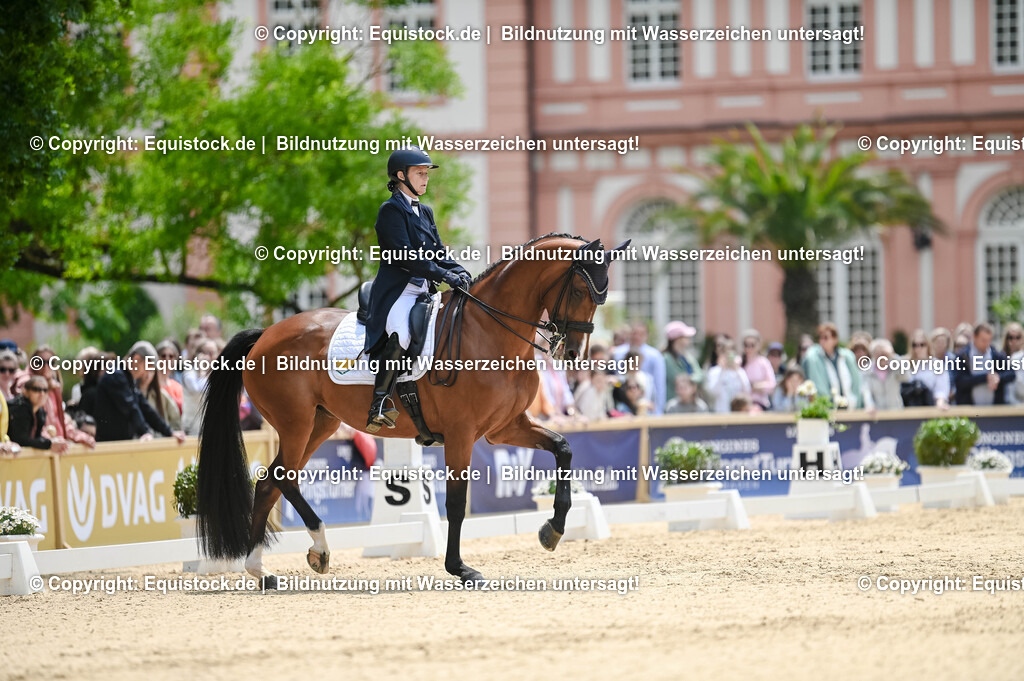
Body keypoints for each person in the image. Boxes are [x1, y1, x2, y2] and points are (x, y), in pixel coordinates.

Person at [362, 146, 471, 432]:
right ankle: (379, 402)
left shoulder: (425, 211)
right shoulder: (390, 211)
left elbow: (437, 251)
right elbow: (406, 257)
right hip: (399, 292)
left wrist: (459, 271)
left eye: (426, 174)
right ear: (401, 176)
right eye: (419, 173)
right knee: (402, 333)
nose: (425, 179)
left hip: (425, 290)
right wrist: (444, 274)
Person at [94, 345, 186, 443]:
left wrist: (169, 432)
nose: (146, 373)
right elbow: (131, 407)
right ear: (137, 359)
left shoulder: (127, 377)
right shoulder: (116, 375)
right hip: (108, 444)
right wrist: (145, 432)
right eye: (147, 367)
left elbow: (145, 407)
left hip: (120, 441)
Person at [953, 322, 1016, 405]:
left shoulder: (996, 354)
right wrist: (986, 378)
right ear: (974, 337)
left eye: (989, 340)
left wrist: (998, 377)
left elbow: (1011, 374)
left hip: (994, 411)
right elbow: (960, 381)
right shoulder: (962, 356)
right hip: (968, 410)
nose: (987, 344)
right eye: (983, 340)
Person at [801, 322, 861, 408]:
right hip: (828, 408)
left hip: (849, 407)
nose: (822, 341)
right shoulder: (814, 358)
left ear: (835, 339)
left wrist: (855, 402)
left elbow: (856, 383)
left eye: (826, 337)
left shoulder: (847, 357)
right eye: (820, 337)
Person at [613, 321, 667, 414]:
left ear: (647, 335)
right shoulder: (618, 353)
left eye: (641, 334)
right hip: (623, 408)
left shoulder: (655, 355)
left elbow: (659, 385)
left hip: (647, 406)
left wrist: (658, 411)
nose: (637, 336)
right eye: (634, 333)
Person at [7, 376, 69, 452]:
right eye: (37, 389)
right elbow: (21, 440)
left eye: (45, 390)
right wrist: (49, 444)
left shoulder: (40, 412)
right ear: (25, 391)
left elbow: (36, 437)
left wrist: (53, 441)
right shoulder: (20, 408)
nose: (42, 393)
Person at [902, 329, 950, 408]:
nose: (918, 348)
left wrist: (940, 403)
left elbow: (941, 390)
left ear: (928, 345)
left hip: (930, 407)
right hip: (909, 408)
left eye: (922, 344)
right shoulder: (905, 363)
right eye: (914, 345)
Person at [704, 337, 752, 413]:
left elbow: (747, 390)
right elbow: (714, 392)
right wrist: (723, 371)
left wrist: (736, 370)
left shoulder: (740, 371)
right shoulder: (714, 371)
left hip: (738, 413)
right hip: (721, 412)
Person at [181, 338, 218, 435]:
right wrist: (202, 371)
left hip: (213, 431)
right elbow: (199, 390)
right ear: (198, 354)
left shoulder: (217, 375)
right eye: (206, 352)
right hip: (193, 432)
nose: (209, 357)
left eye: (212, 353)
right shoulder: (189, 373)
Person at [662, 320, 703, 400]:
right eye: (685, 336)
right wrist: (692, 380)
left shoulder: (688, 357)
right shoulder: (666, 358)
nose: (689, 339)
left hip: (691, 401)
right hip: (675, 402)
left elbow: (700, 375)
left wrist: (690, 379)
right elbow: (677, 378)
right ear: (677, 339)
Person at [862, 339, 906, 411]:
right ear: (873, 354)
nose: (881, 357)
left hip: (896, 412)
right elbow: (866, 391)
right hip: (876, 414)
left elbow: (906, 376)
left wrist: (894, 356)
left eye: (884, 354)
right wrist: (870, 405)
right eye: (878, 353)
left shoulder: (895, 367)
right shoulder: (867, 371)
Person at [741, 329, 776, 411]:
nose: (749, 348)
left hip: (759, 404)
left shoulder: (763, 362)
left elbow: (772, 384)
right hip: (741, 406)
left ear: (758, 345)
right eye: (746, 345)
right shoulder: (739, 362)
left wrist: (756, 386)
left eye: (752, 345)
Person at [155, 339, 184, 412]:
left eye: (171, 356)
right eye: (163, 356)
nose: (167, 359)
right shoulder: (151, 383)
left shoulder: (177, 386)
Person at [1001, 322, 1024, 404]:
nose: (1014, 341)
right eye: (1010, 337)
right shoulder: (1000, 357)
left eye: (1017, 337)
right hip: (1003, 405)